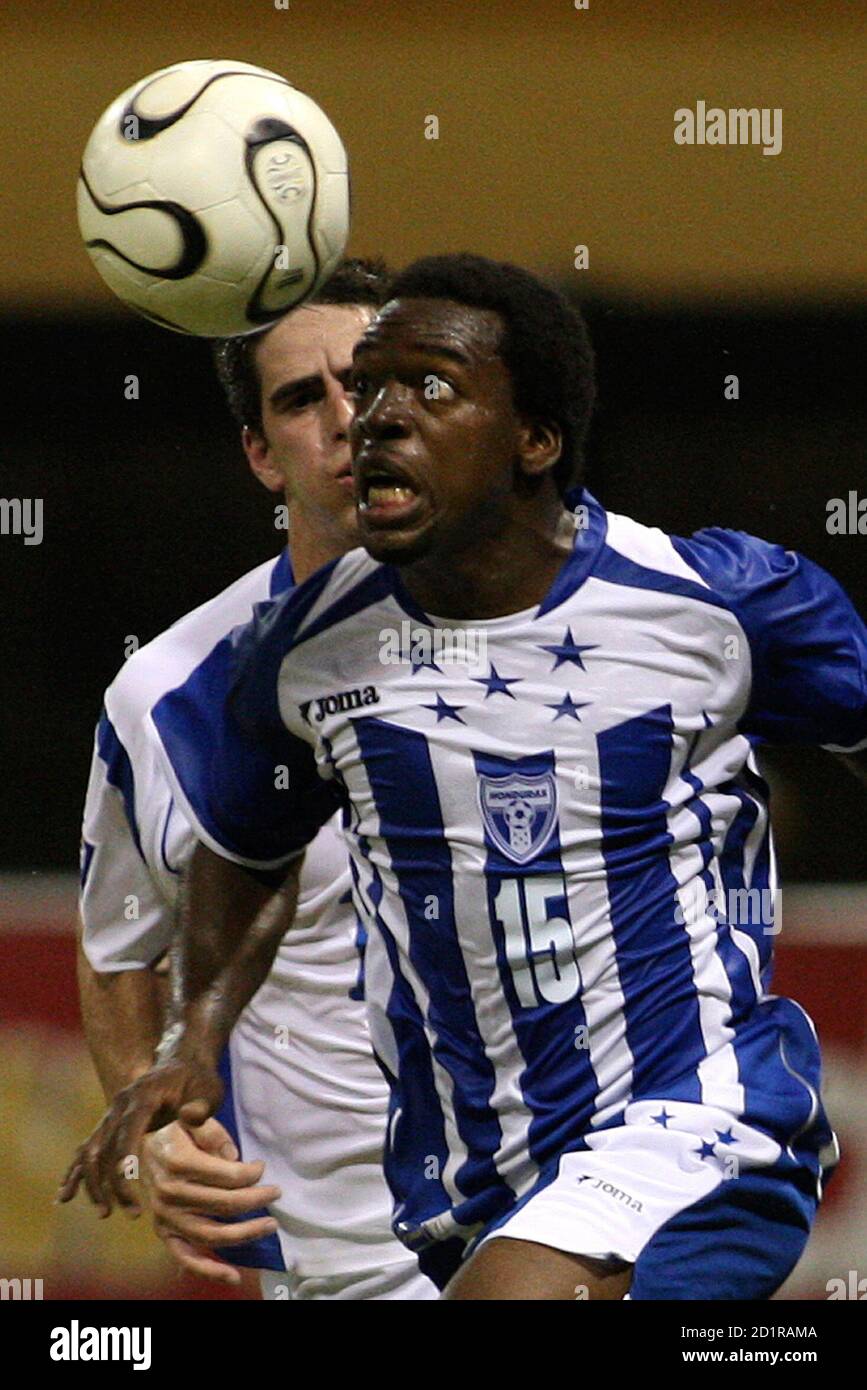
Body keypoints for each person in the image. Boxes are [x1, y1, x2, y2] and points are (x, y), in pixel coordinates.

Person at [63, 253, 867, 1301]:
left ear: (534, 439)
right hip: (465, 1185)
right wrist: (196, 1039)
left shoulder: (708, 603)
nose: (373, 419)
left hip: (695, 1125)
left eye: (420, 388)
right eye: (365, 388)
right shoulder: (300, 655)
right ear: (257, 449)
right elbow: (251, 848)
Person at [74, 256, 436, 1301]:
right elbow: (117, 951)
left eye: (369, 383)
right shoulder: (168, 697)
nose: (346, 419)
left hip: (586, 1234)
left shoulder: (576, 630)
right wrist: (150, 1129)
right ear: (260, 453)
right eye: (300, 398)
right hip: (346, 1274)